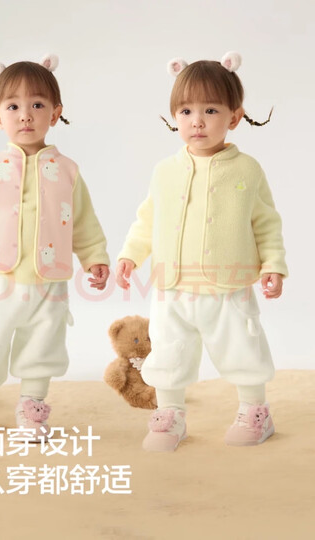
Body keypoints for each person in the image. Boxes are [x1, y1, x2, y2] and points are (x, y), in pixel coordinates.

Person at [116, 51, 288, 451]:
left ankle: (255, 410)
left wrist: (273, 264)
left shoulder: (246, 170)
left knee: (242, 349)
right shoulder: (165, 171)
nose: (197, 120)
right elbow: (147, 219)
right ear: (175, 116)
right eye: (186, 111)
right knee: (168, 352)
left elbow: (266, 222)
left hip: (230, 284)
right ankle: (170, 415)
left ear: (234, 117)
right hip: (172, 286)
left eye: (210, 110)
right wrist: (130, 255)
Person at [0, 54, 110, 439]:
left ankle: (32, 405)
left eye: (37, 105)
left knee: (43, 343)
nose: (25, 115)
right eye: (13, 107)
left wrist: (95, 258)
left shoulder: (67, 170)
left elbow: (83, 221)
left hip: (47, 280)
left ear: (55, 113)